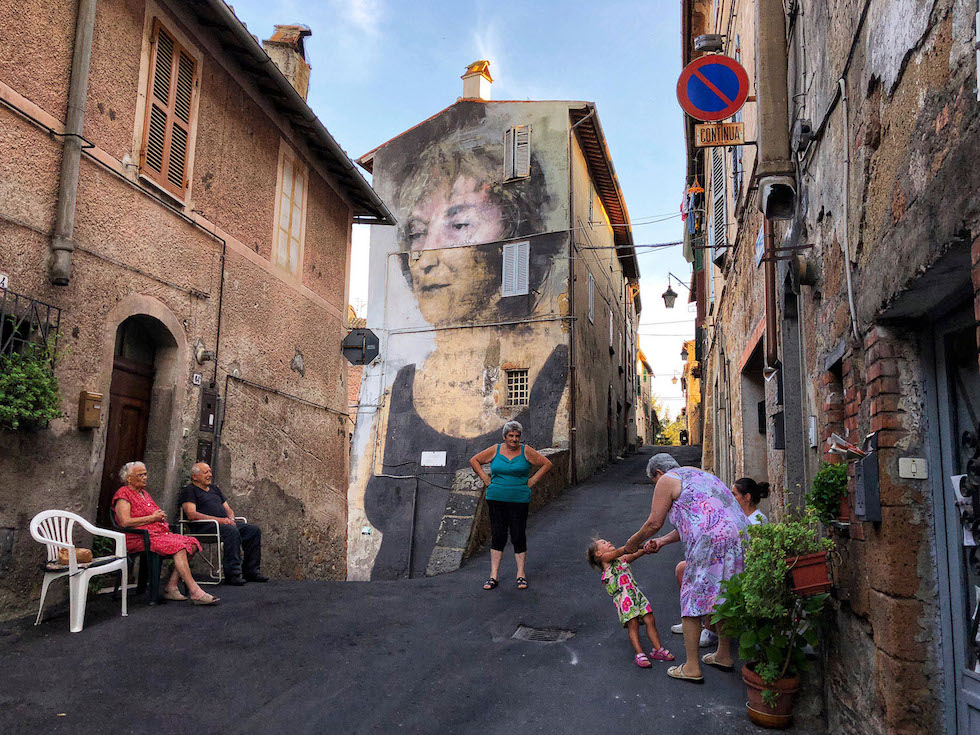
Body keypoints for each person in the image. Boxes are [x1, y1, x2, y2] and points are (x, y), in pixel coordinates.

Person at [357, 104, 569, 581]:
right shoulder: (400, 384)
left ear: (513, 238)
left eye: (458, 225)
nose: (425, 257)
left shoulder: (548, 370)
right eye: (415, 233)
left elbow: (548, 461)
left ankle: (509, 575)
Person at [625, 453, 748, 683]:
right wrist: (661, 541)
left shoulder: (666, 479)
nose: (657, 486)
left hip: (711, 540)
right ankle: (723, 654)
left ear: (658, 474)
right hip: (740, 534)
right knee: (724, 592)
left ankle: (691, 666)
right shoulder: (699, 474)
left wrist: (632, 543)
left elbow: (654, 522)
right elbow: (694, 520)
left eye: (654, 482)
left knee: (692, 595)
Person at [669, 475, 770, 644]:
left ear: (747, 497)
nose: (731, 498)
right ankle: (695, 620)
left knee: (712, 576)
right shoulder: (736, 516)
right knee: (682, 568)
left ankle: (710, 629)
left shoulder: (757, 521)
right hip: (729, 562)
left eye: (735, 494)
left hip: (742, 567)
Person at [112, 462, 219, 605]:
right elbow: (125, 522)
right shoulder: (123, 494)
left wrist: (160, 516)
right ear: (129, 478)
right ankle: (195, 592)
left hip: (157, 535)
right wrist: (152, 518)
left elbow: (154, 513)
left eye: (145, 474)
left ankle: (171, 586)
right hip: (138, 537)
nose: (145, 477)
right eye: (140, 475)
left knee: (192, 543)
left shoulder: (144, 494)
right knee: (179, 547)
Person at [469, 421, 553, 591]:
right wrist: (485, 478)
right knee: (498, 535)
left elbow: (547, 464)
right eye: (511, 436)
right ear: (504, 437)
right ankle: (493, 575)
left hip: (519, 500)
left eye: (517, 436)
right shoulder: (496, 449)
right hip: (496, 499)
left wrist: (532, 481)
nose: (514, 440)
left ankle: (520, 574)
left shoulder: (526, 451)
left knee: (518, 535)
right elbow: (474, 460)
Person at [587, 538, 673, 668]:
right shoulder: (607, 560)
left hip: (636, 594)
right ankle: (639, 653)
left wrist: (645, 548)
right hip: (624, 599)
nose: (609, 542)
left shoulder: (621, 560)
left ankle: (658, 649)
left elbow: (634, 554)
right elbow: (621, 551)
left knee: (650, 618)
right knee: (633, 624)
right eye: (603, 543)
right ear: (599, 554)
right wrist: (629, 547)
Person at [180, 463, 268, 585]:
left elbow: (228, 509)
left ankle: (251, 571)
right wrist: (220, 520)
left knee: (253, 530)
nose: (210, 475)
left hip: (223, 524)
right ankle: (233, 574)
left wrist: (230, 518)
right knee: (231, 531)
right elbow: (191, 514)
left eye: (210, 472)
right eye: (206, 472)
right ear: (195, 476)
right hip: (204, 526)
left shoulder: (214, 489)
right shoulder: (189, 491)